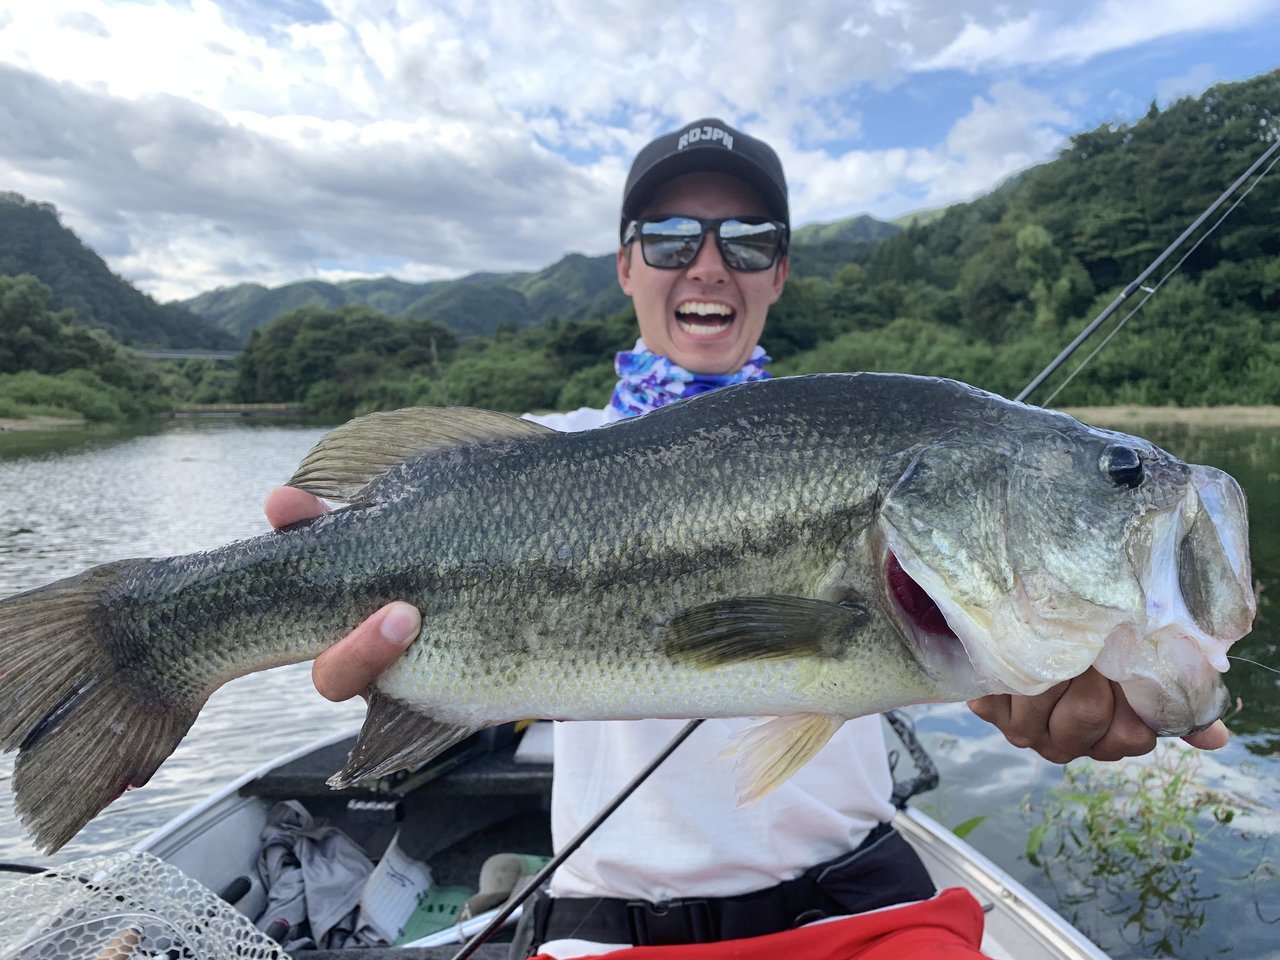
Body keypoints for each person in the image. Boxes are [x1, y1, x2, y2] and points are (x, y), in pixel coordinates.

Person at [263, 118, 1229, 960]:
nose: (710, 262)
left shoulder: (864, 439)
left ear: (781, 270)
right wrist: (303, 608)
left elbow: (955, 654)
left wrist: (1028, 684)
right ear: (626, 264)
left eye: (751, 238)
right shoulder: (526, 460)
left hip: (862, 908)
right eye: (673, 236)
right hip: (606, 925)